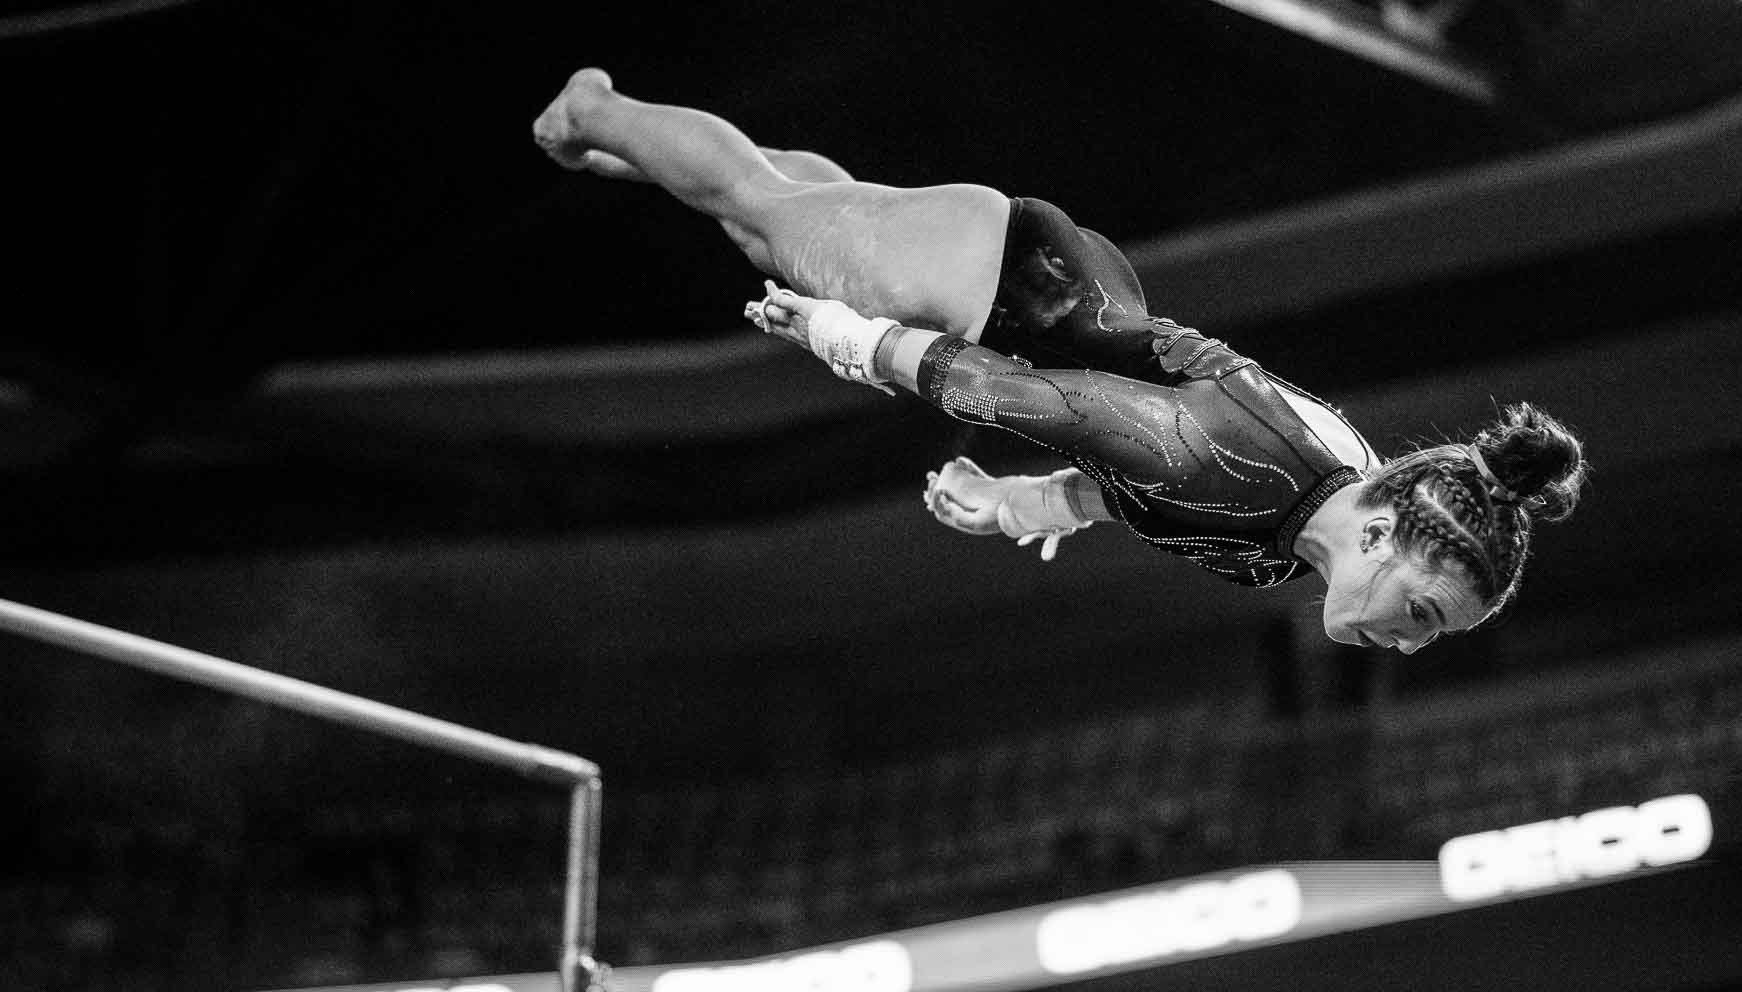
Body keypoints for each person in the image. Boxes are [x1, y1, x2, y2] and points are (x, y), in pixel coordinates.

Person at [533, 69, 1588, 652]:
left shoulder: (1299, 523)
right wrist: (843, 342)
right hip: (1003, 292)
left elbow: (1119, 469)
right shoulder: (1231, 469)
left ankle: (659, 146)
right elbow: (1002, 393)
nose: (1407, 644)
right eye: (1421, 613)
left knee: (796, 213)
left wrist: (1035, 507)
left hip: (1063, 290)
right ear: (1384, 530)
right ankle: (595, 108)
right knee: (760, 219)